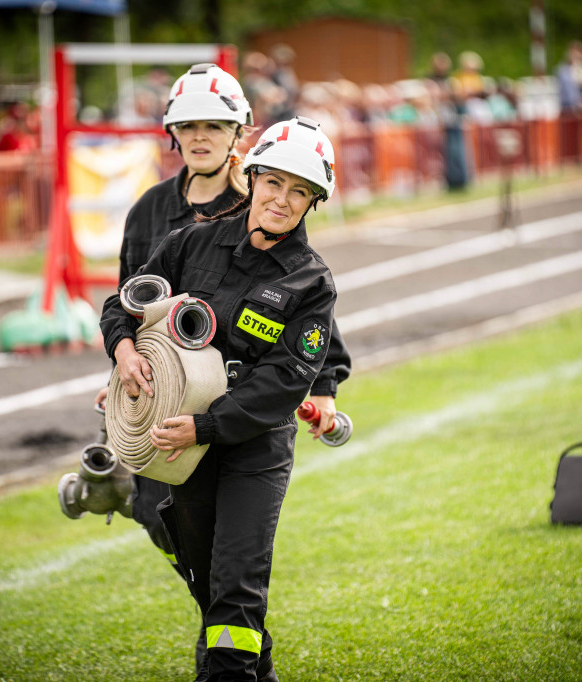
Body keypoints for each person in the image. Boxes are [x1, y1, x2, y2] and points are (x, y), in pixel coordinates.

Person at [100, 115, 343, 681]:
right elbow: (124, 303)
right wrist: (125, 349)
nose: (282, 200)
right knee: (212, 589)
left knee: (236, 589)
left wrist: (205, 427)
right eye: (275, 183)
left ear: (312, 203)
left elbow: (285, 381)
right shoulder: (191, 240)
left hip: (251, 451)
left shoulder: (312, 281)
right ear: (254, 177)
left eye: (300, 191)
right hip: (183, 451)